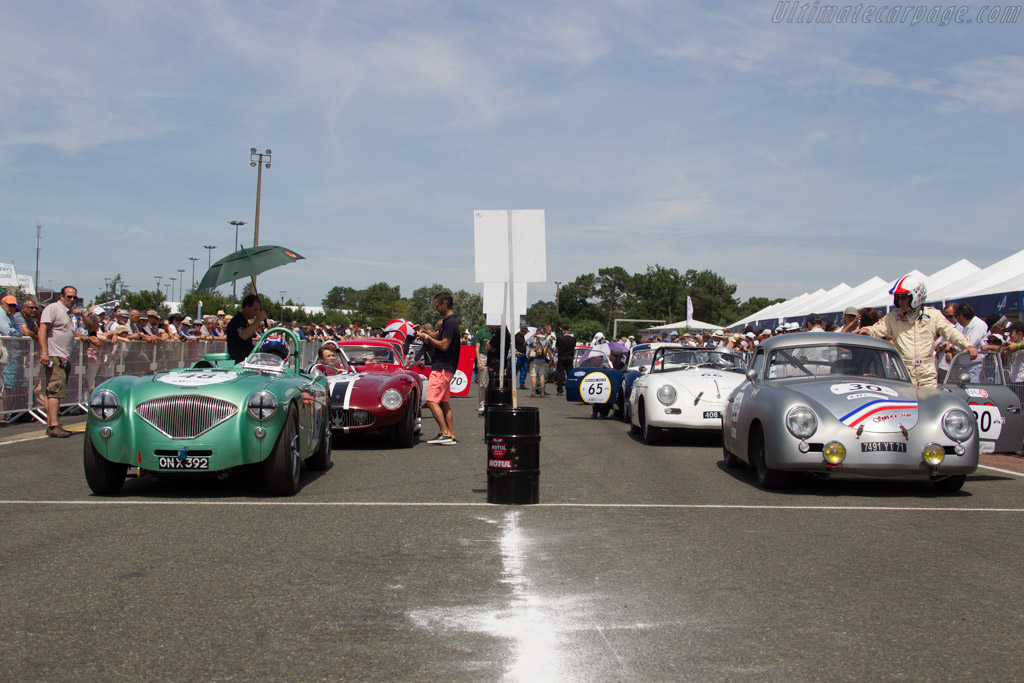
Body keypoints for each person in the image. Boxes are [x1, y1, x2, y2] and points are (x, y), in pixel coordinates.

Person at [857, 275, 976, 387]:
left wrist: (968, 345)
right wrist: (866, 330)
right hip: (902, 375)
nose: (900, 302)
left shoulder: (933, 315)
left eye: (903, 297)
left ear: (916, 296)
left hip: (927, 377)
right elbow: (878, 328)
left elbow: (951, 331)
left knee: (929, 407)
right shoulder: (893, 317)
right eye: (897, 298)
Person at [38, 285, 95, 437]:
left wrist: (82, 315)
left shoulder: (71, 313)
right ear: (61, 297)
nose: (71, 300)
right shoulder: (53, 308)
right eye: (69, 296)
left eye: (74, 297)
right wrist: (44, 352)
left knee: (55, 390)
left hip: (64, 356)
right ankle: (54, 425)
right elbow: (42, 329)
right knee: (55, 390)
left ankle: (53, 422)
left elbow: (91, 328)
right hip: (55, 355)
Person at [415, 291, 460, 445]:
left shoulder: (449, 323)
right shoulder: (448, 322)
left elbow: (444, 345)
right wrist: (424, 332)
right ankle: (451, 434)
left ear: (444, 304)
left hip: (442, 368)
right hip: (446, 368)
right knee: (443, 401)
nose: (436, 309)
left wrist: (426, 338)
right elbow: (436, 335)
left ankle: (444, 433)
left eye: (437, 306)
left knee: (431, 400)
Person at [226, 294, 267, 364]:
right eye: (255, 310)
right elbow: (244, 335)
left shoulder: (245, 322)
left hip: (246, 361)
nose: (257, 313)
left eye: (258, 310)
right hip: (238, 362)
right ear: (247, 308)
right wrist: (258, 320)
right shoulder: (237, 321)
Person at [474, 323, 493, 414]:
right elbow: (477, 348)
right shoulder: (481, 332)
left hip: (494, 357)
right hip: (483, 356)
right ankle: (482, 404)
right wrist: (478, 361)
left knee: (493, 381)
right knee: (482, 382)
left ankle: (492, 403)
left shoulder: (497, 332)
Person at [554, 325, 575, 396]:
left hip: (562, 357)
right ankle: (570, 389)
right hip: (570, 358)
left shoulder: (560, 338)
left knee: (560, 374)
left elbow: (557, 347)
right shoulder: (573, 339)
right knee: (570, 374)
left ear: (564, 331)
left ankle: (560, 390)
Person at [514, 325, 529, 389]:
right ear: (522, 331)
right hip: (518, 355)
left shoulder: (523, 337)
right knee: (515, 370)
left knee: (524, 369)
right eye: (525, 332)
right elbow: (513, 345)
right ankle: (512, 383)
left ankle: (522, 383)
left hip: (524, 355)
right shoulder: (516, 336)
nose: (526, 333)